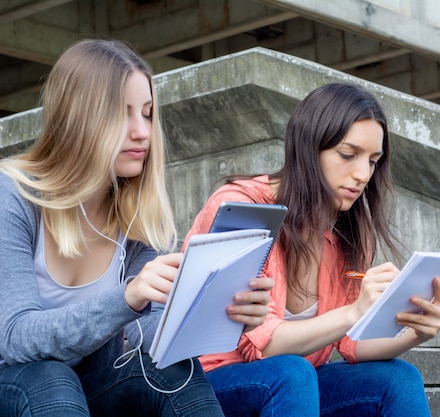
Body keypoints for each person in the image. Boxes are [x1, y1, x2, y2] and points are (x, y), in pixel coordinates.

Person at [0, 39, 273, 417]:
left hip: (91, 388)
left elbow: (145, 339)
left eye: (146, 114)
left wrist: (221, 314)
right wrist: (127, 297)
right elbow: (15, 338)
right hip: (16, 387)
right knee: (51, 379)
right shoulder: (13, 194)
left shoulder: (139, 215)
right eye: (123, 113)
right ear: (77, 117)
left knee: (171, 370)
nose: (142, 131)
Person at [183, 83, 440, 416]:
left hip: (296, 385)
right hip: (208, 386)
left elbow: (350, 344)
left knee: (399, 378)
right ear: (310, 148)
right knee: (293, 372)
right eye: (348, 155)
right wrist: (355, 311)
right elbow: (260, 344)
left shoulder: (348, 232)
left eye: (373, 161)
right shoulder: (242, 208)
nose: (363, 174)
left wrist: (415, 331)